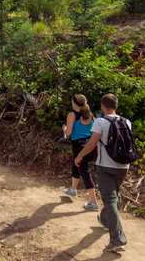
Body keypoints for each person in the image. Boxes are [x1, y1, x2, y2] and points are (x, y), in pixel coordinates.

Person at [75, 94, 131, 253]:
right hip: (123, 166)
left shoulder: (100, 121)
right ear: (116, 106)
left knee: (109, 199)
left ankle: (117, 240)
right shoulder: (127, 122)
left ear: (103, 106)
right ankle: (106, 220)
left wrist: (79, 156)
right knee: (112, 196)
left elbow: (92, 143)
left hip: (105, 166)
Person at [61, 94, 98, 211]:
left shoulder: (72, 115)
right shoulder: (91, 115)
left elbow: (68, 133)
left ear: (75, 103)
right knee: (75, 165)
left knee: (85, 172)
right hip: (91, 145)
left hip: (79, 146)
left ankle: (94, 203)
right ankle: (72, 190)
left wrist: (64, 129)